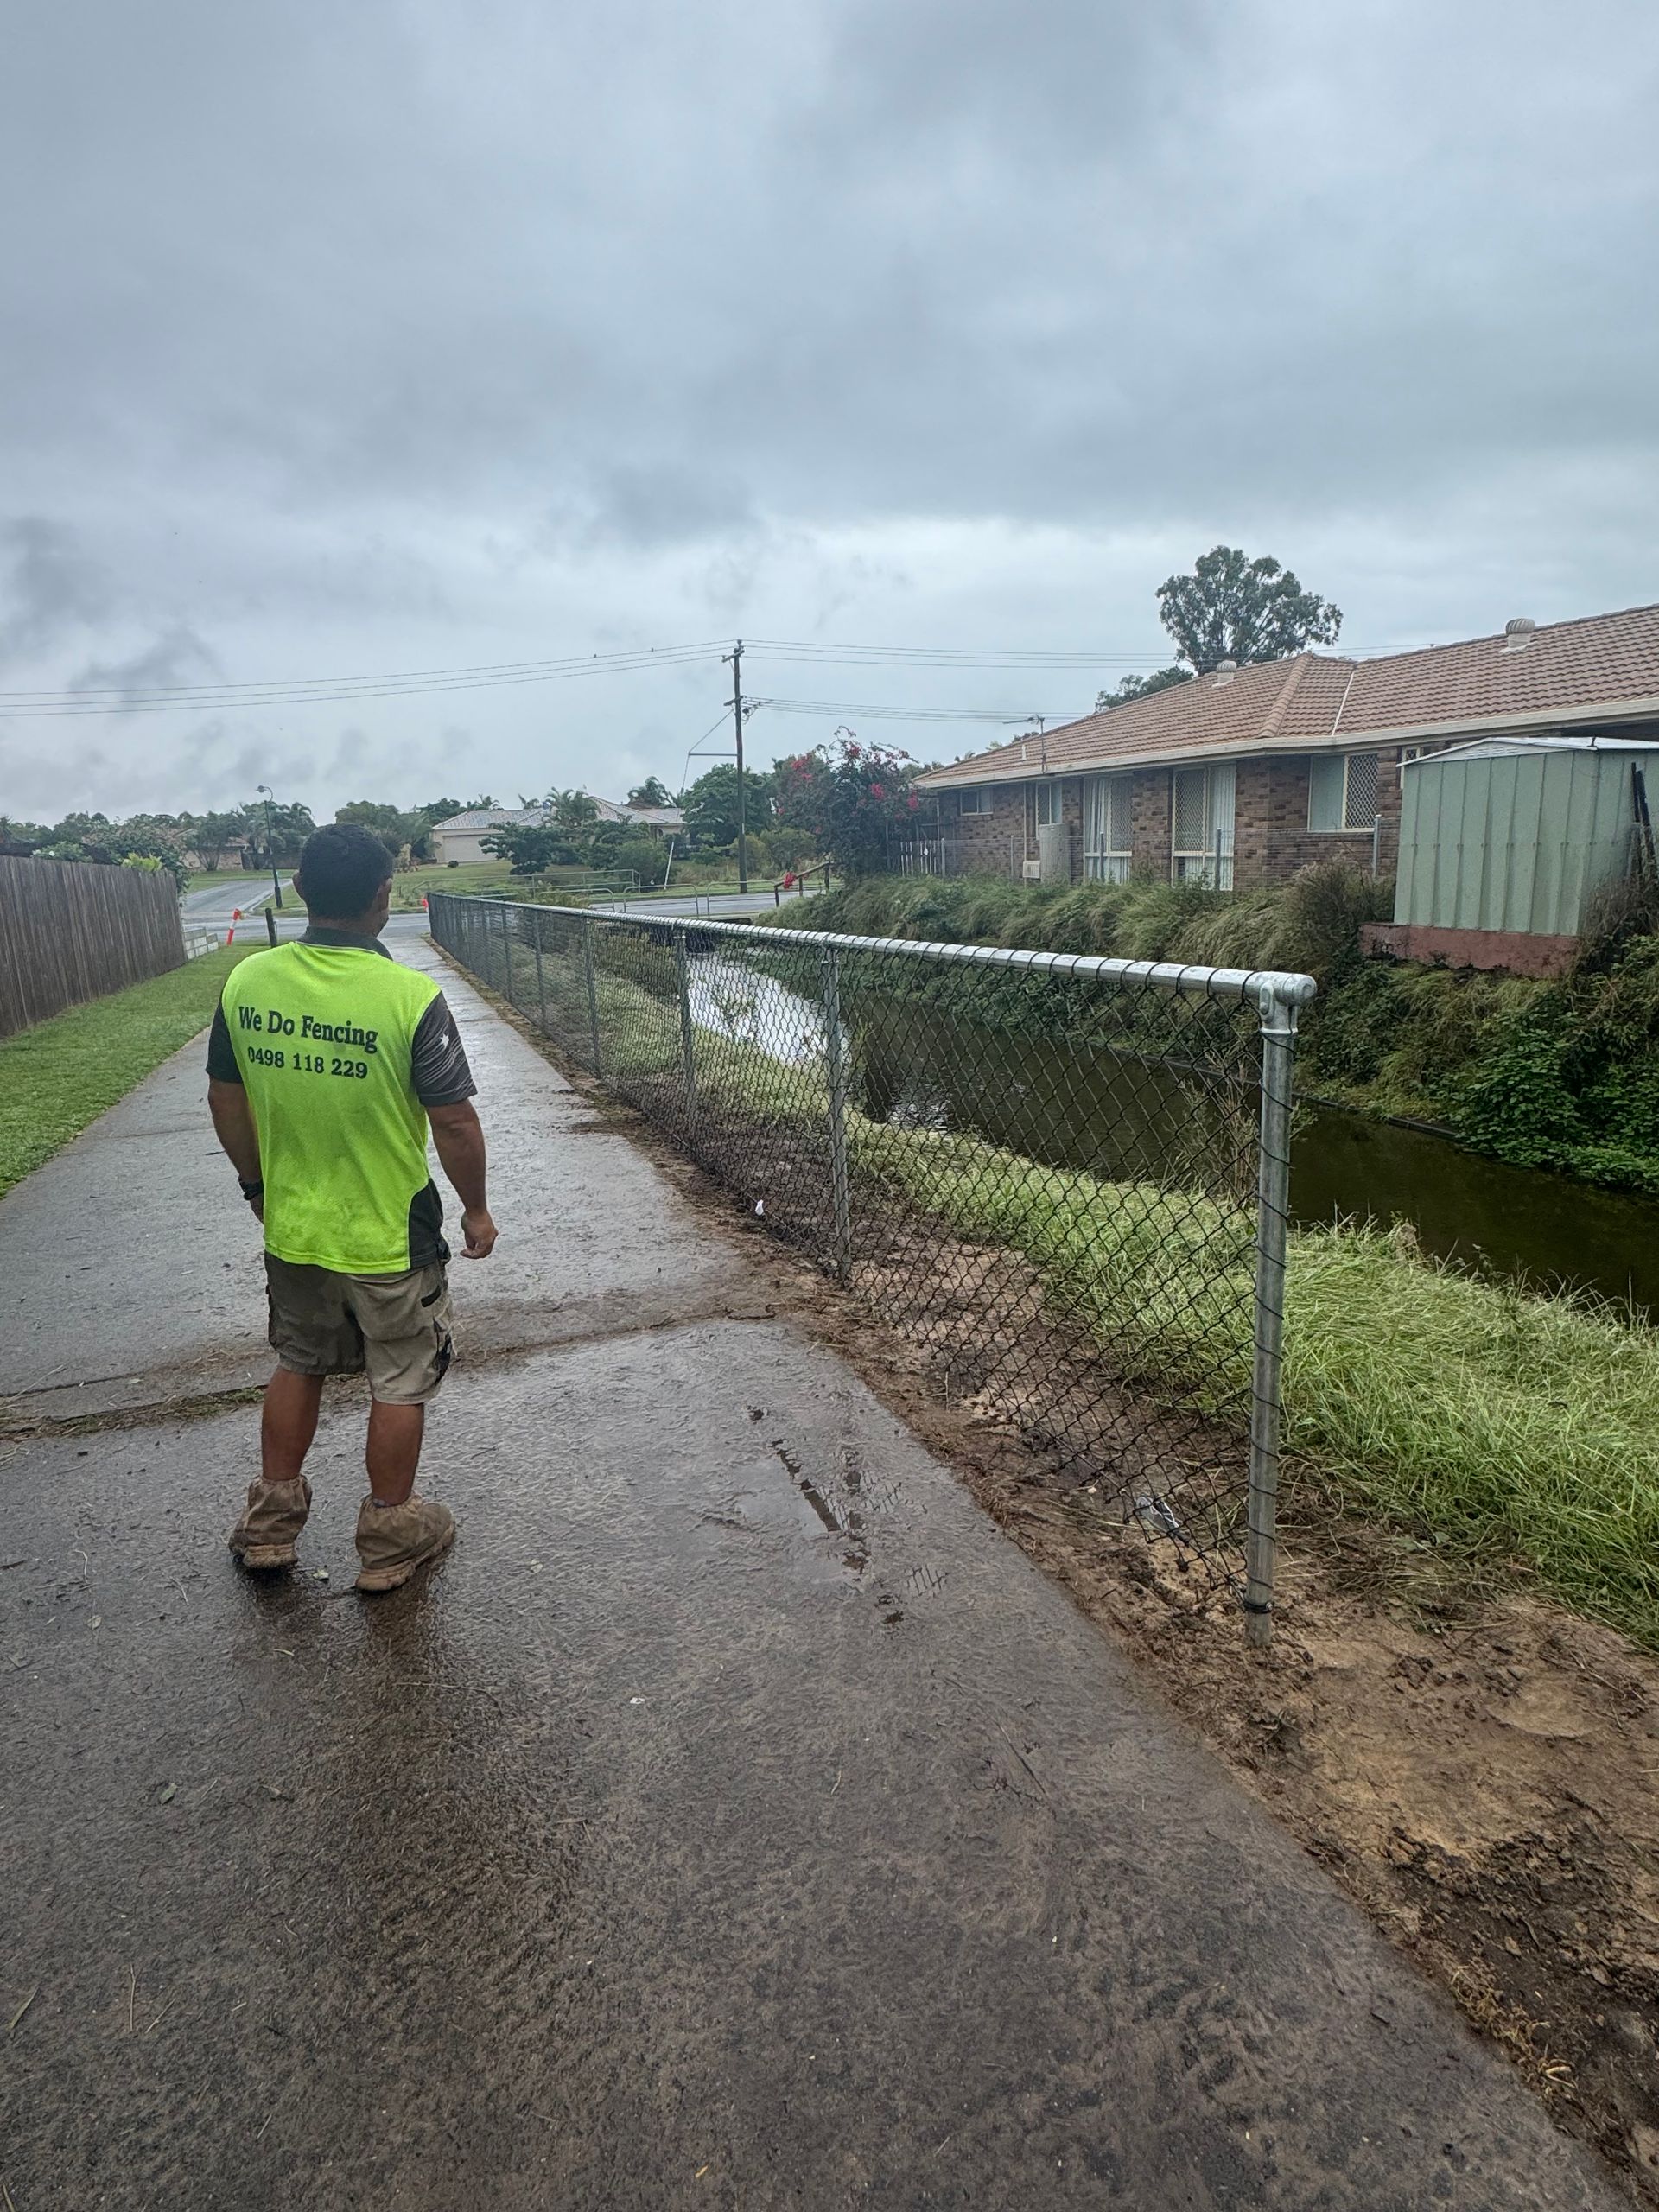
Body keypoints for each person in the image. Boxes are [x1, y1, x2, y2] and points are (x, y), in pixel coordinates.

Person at [206, 822, 498, 1592]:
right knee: (400, 1374)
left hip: (293, 1226)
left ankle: (270, 1524)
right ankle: (391, 1535)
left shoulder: (247, 983)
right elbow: (455, 1121)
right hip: (387, 1233)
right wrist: (476, 1210)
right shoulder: (410, 997)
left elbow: (226, 1099)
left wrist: (258, 1187)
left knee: (298, 1360)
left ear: (300, 890)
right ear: (384, 896)